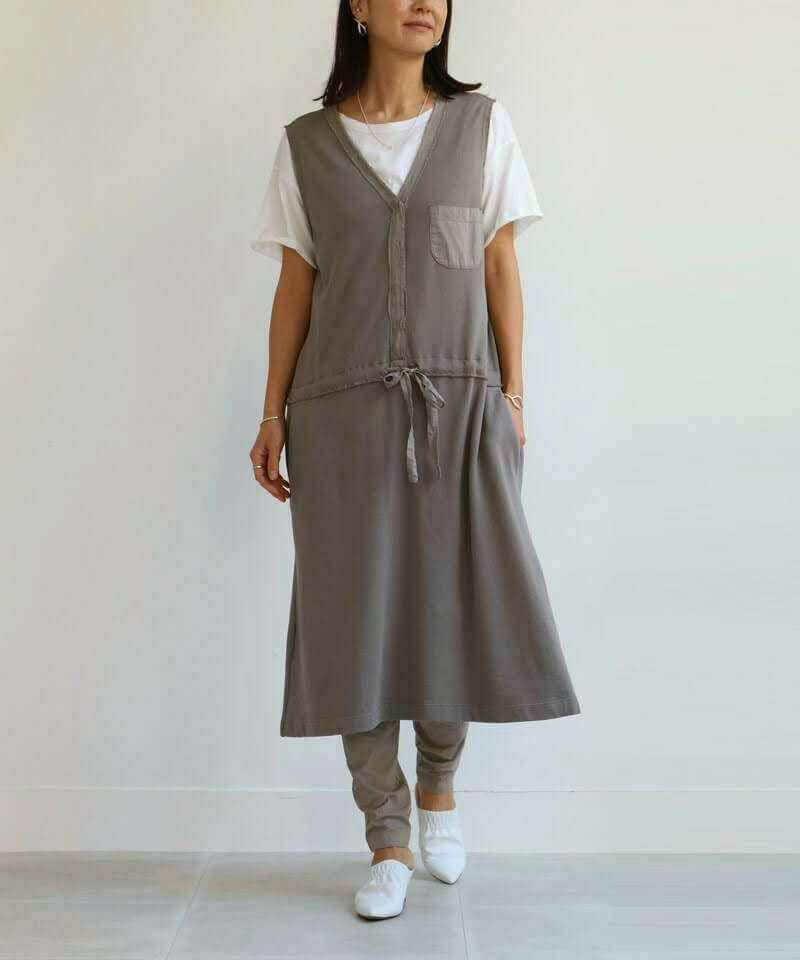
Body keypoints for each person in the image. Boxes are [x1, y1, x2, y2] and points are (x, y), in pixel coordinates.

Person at [249, 0, 581, 920]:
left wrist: (514, 398)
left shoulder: (482, 128)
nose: (425, 2)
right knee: (350, 624)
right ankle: (385, 838)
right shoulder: (306, 145)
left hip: (461, 409)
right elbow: (296, 283)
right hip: (339, 415)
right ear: (358, 6)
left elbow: (500, 265)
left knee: (451, 604)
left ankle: (438, 788)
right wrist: (272, 412)